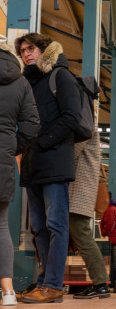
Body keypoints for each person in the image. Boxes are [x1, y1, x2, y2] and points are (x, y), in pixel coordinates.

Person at [16, 33, 82, 304]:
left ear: (44, 49)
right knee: (39, 228)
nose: (26, 54)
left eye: (31, 48)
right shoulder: (28, 84)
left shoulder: (61, 76)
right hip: (32, 164)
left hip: (54, 159)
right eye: (22, 51)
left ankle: (54, 285)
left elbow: (72, 117)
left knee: (56, 225)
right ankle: (44, 283)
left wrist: (41, 143)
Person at [0, 42, 40, 306]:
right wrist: (9, 146)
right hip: (2, 159)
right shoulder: (22, 82)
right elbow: (32, 125)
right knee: (1, 226)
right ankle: (9, 292)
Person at [69, 134, 111, 299]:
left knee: (82, 234)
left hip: (80, 188)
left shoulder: (85, 122)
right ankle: (100, 282)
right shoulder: (86, 121)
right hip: (81, 187)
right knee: (82, 235)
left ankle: (100, 283)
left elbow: (72, 151)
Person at [100, 192, 116, 292]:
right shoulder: (113, 208)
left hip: (110, 240)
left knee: (111, 264)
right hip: (113, 240)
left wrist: (103, 234)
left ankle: (112, 284)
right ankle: (115, 284)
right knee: (114, 263)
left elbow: (110, 224)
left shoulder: (109, 209)